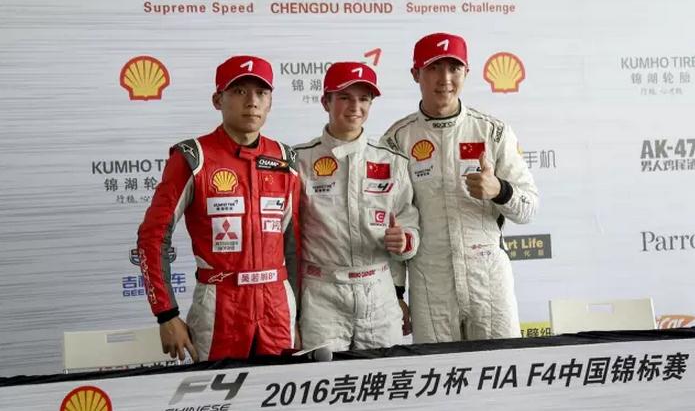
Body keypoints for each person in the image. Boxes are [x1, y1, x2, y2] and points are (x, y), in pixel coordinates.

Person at [137, 55, 301, 362]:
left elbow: (294, 245)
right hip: (220, 305)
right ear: (217, 100)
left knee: (279, 387)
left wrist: (299, 314)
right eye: (239, 91)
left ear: (270, 102)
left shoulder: (285, 159)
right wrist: (166, 314)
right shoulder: (193, 157)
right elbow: (153, 235)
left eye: (261, 92)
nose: (252, 101)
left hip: (278, 306)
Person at [383, 33, 539, 343]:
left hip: (489, 280)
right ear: (415, 73)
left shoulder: (492, 132)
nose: (445, 79)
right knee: (437, 372)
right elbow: (391, 222)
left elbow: (529, 208)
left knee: (502, 367)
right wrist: (396, 293)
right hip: (430, 283)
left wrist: (500, 190)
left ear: (466, 72)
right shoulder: (397, 140)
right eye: (433, 68)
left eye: (454, 68)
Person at [292, 62, 419, 351]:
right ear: (325, 102)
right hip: (321, 293)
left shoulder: (392, 161)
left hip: (379, 291)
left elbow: (409, 221)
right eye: (344, 97)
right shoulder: (299, 160)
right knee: (321, 376)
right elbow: (287, 239)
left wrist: (406, 240)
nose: (355, 107)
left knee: (385, 374)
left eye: (364, 99)